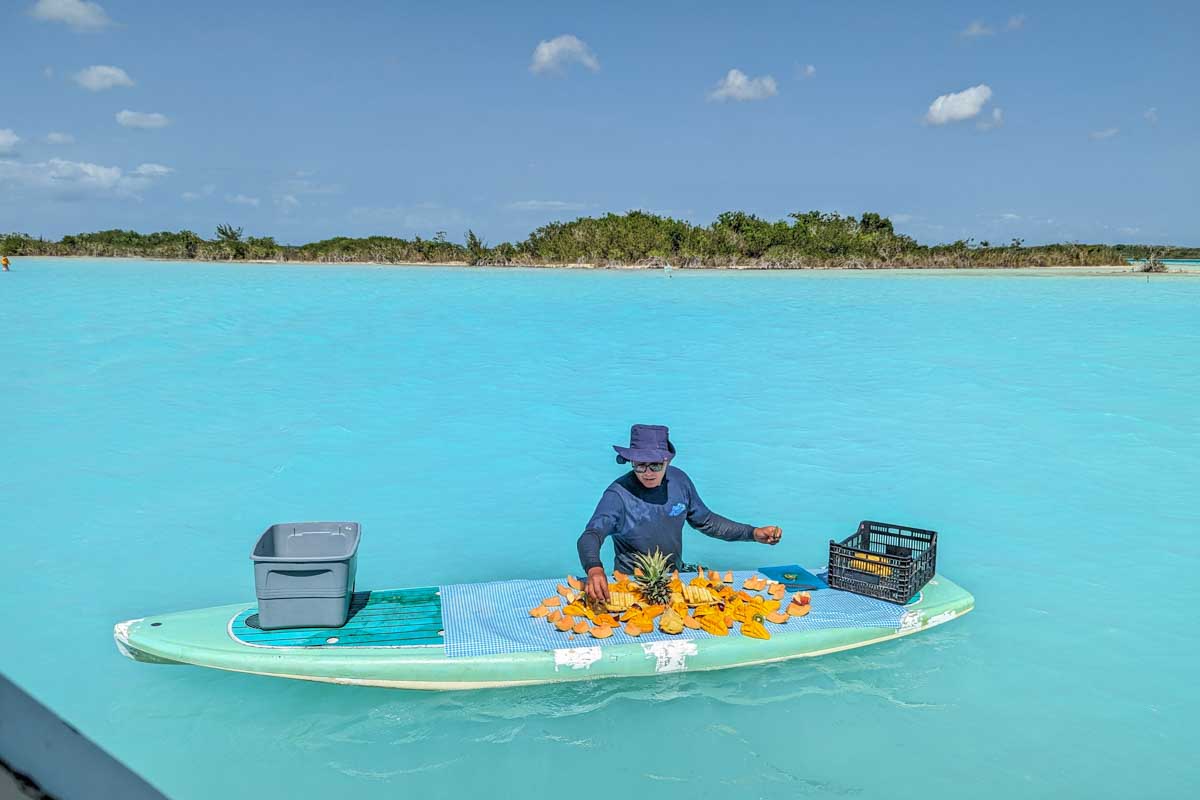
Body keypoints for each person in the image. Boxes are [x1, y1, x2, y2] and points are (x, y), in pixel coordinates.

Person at [577, 424, 783, 602]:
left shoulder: (680, 482)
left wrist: (753, 533)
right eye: (640, 465)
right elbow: (591, 535)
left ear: (667, 461)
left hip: (673, 578)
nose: (648, 473)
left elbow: (707, 521)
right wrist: (594, 568)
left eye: (656, 465)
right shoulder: (618, 495)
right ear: (632, 462)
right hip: (632, 582)